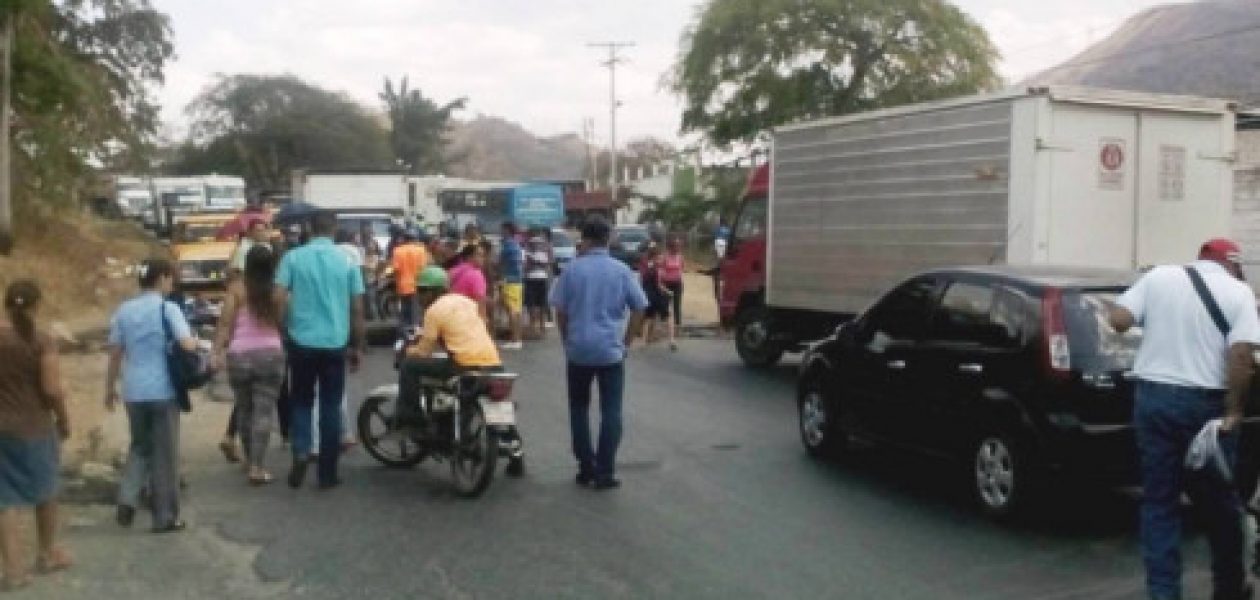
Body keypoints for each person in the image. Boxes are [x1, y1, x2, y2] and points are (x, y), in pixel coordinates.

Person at [1108, 238, 1260, 600]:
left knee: (1160, 503)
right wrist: (1235, 410)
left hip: (1153, 399)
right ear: (1232, 265)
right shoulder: (1240, 293)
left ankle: (1163, 594)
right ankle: (1228, 587)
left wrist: (1148, 317)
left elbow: (1118, 321)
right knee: (1221, 503)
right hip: (1206, 408)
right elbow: (1242, 357)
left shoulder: (1159, 277)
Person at [550, 218, 648, 490]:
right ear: (608, 239)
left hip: (578, 350)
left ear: (585, 239)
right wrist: (627, 341)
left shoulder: (571, 270)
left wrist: (567, 340)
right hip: (610, 351)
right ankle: (605, 471)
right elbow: (640, 307)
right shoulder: (621, 271)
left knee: (578, 408)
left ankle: (586, 466)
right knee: (612, 411)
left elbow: (560, 311)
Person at [398, 267, 525, 476]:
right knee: (500, 408)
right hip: (493, 363)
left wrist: (408, 350)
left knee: (409, 366)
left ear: (433, 292)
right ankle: (517, 458)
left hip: (464, 365)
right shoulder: (466, 302)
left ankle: (411, 417)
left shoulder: (434, 310)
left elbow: (424, 350)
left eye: (422, 291)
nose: (419, 296)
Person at [274, 211, 366, 490]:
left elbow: (278, 297)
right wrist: (357, 345)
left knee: (301, 401)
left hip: (301, 341)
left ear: (309, 229)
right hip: (335, 343)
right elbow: (358, 308)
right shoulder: (347, 261)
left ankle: (301, 450)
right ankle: (327, 472)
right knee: (330, 404)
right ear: (334, 230)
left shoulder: (292, 258)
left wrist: (282, 329)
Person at [106, 259, 199, 533]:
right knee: (165, 455)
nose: (172, 284)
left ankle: (127, 497)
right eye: (171, 279)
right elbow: (185, 343)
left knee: (139, 447)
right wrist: (197, 342)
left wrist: (109, 387)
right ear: (162, 279)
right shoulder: (167, 309)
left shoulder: (123, 311)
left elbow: (115, 353)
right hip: (163, 390)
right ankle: (165, 516)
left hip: (133, 391)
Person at [0, 281, 72, 589]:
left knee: (4, 501)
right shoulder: (42, 342)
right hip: (34, 427)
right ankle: (46, 553)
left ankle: (13, 571)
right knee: (46, 491)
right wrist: (64, 420)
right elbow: (51, 389)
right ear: (37, 305)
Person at [212, 246, 286, 486]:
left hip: (239, 356)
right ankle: (257, 465)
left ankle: (248, 460)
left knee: (245, 410)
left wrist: (217, 352)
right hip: (270, 355)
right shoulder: (277, 292)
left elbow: (225, 323)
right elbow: (283, 323)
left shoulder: (236, 290)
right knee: (264, 412)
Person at [640, 246, 677, 351]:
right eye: (660, 257)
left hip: (647, 295)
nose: (662, 259)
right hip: (658, 295)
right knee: (669, 315)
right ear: (655, 257)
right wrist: (668, 291)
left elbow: (642, 280)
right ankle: (672, 340)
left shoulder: (645, 265)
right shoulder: (657, 268)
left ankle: (643, 341)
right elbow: (659, 285)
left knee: (648, 318)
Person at [391, 228, 429, 329]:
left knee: (404, 311)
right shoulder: (421, 250)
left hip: (402, 286)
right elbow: (424, 268)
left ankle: (404, 333)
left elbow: (396, 269)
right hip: (418, 285)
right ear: (415, 238)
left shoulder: (397, 251)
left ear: (404, 238)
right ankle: (416, 333)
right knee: (416, 312)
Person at [498, 222, 525, 350]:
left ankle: (515, 339)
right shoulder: (516, 244)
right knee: (517, 311)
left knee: (512, 311)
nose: (501, 232)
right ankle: (517, 338)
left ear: (507, 230)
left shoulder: (508, 245)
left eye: (502, 229)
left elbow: (500, 262)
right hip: (518, 280)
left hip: (510, 280)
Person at [449, 243, 491, 323]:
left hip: (452, 315)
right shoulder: (476, 275)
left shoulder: (453, 271)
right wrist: (483, 320)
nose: (483, 258)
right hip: (469, 318)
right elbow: (480, 301)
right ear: (469, 257)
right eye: (479, 255)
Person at [523, 231, 552, 339]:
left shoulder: (529, 247)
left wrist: (534, 262)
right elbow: (549, 262)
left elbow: (527, 265)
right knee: (540, 304)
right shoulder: (546, 246)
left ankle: (535, 328)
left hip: (532, 278)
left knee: (533, 304)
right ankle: (541, 327)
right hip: (541, 278)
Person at [662, 236, 686, 333]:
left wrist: (678, 274)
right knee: (665, 304)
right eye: (676, 246)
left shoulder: (680, 257)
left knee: (677, 304)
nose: (678, 248)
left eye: (679, 246)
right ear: (671, 247)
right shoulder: (665, 256)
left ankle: (678, 325)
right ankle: (665, 325)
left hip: (677, 283)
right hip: (667, 283)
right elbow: (661, 269)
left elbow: (682, 267)